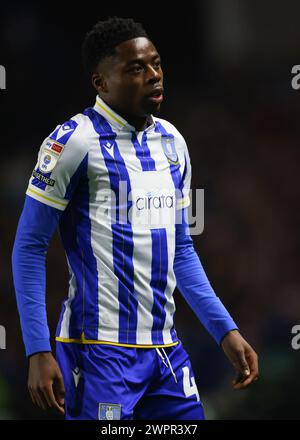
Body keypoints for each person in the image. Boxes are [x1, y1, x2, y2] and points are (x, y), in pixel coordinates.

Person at [12, 17, 258, 420]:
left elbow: (181, 249)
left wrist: (224, 330)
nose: (153, 75)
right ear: (101, 83)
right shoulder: (72, 142)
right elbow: (28, 247)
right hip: (98, 353)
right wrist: (38, 349)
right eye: (135, 68)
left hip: (166, 353)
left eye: (156, 64)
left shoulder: (173, 143)